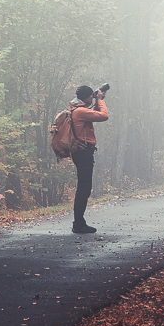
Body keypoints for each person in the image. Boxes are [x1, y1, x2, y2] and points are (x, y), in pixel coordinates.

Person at [68, 84, 108, 235]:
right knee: (84, 187)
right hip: (83, 153)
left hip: (82, 152)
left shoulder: (78, 110)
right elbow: (103, 116)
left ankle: (79, 222)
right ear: (86, 97)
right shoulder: (80, 111)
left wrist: (97, 99)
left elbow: (94, 114)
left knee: (84, 187)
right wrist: (99, 100)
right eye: (90, 96)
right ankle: (78, 223)